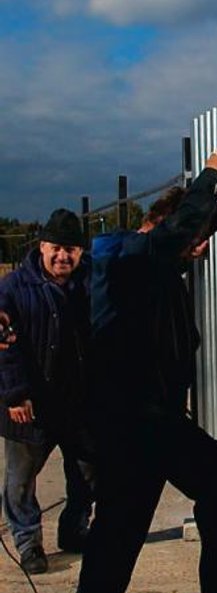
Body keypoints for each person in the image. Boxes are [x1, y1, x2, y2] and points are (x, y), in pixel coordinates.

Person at [77, 142, 217, 593]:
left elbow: (185, 233)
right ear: (159, 229)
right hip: (129, 423)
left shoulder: (153, 263)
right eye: (190, 239)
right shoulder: (126, 256)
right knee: (119, 531)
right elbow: (181, 230)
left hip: (156, 419)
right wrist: (215, 165)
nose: (198, 249)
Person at [0, 210, 96, 574]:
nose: (63, 257)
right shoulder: (13, 288)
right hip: (30, 405)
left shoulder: (89, 281)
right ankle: (29, 544)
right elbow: (3, 345)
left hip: (78, 403)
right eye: (56, 248)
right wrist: (14, 395)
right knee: (21, 481)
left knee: (88, 474)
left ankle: (75, 530)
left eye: (71, 250)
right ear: (42, 247)